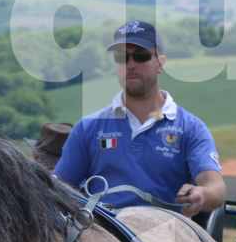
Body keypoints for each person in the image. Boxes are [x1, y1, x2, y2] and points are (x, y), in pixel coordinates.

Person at [52, 20, 226, 216]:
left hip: (163, 234)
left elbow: (216, 188)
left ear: (160, 63)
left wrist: (202, 193)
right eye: (122, 57)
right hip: (102, 231)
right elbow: (58, 189)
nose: (131, 64)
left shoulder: (191, 128)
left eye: (140, 56)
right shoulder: (88, 128)